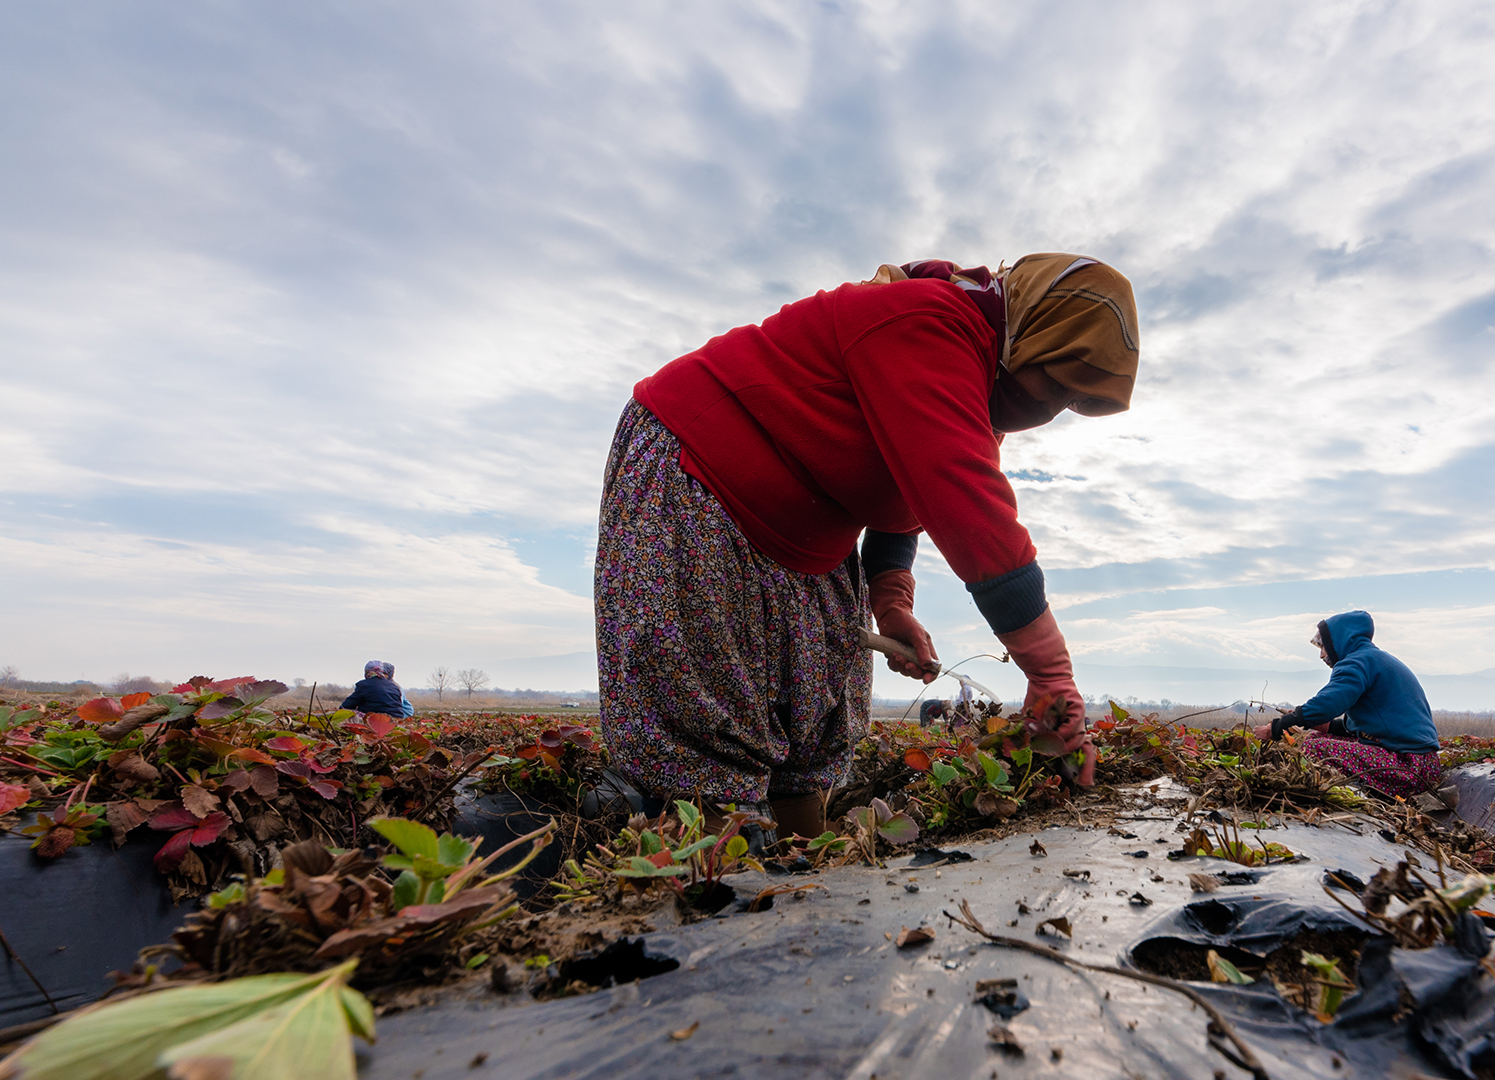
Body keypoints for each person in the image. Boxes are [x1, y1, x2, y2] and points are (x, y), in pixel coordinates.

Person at [597, 254, 1139, 837]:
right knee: (706, 702)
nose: (1051, 408)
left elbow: (905, 497)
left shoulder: (977, 385)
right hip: (697, 473)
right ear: (1030, 333)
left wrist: (892, 604)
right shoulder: (926, 323)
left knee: (814, 714)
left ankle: (801, 871)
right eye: (1055, 381)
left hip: (809, 528)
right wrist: (1051, 673)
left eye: (1070, 400)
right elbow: (968, 508)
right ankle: (714, 875)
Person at [1252, 611, 1441, 798]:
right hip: (1424, 765)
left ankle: (1340, 794)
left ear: (1339, 641)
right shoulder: (1375, 659)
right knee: (1314, 739)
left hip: (1408, 767)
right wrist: (1327, 726)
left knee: (1316, 749)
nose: (1321, 655)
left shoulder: (1356, 664)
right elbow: (1377, 723)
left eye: (1323, 646)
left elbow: (1327, 704)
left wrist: (1276, 728)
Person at [339, 660, 411, 718]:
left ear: (367, 672)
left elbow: (349, 704)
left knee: (353, 714)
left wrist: (339, 711)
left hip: (375, 721)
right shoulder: (394, 686)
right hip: (395, 720)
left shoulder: (364, 685)